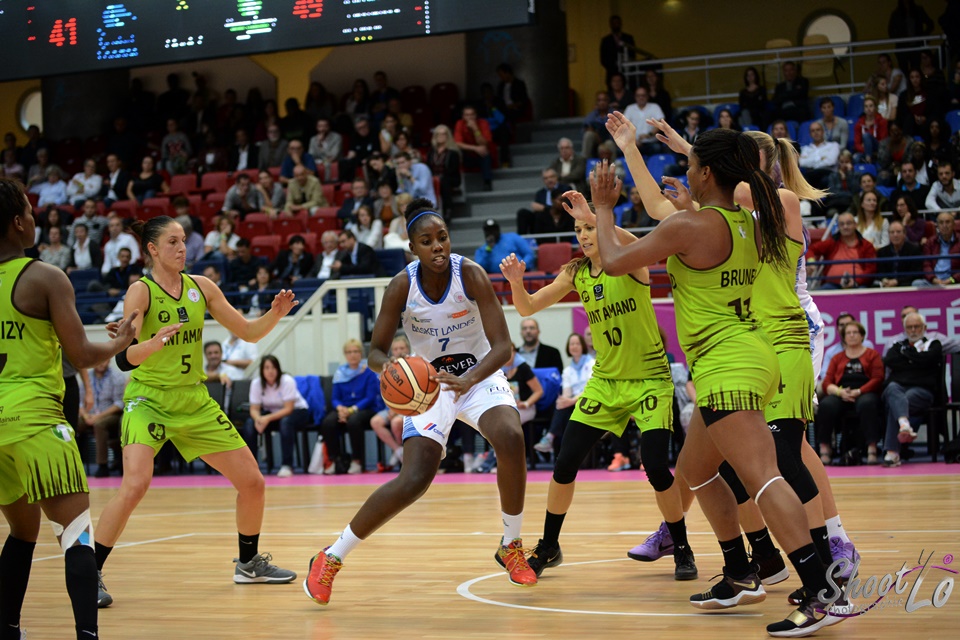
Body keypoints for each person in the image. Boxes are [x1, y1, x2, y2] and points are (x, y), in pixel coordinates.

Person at [593, 125, 844, 632]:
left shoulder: (692, 226)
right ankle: (739, 571)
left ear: (707, 172)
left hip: (727, 361)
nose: (685, 172)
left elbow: (616, 260)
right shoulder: (750, 220)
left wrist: (603, 209)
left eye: (690, 165)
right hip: (748, 354)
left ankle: (821, 591)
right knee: (696, 469)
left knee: (763, 476)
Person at [304, 198, 538, 606]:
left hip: (478, 374)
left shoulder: (473, 275)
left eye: (442, 237)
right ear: (412, 248)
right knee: (415, 480)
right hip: (429, 385)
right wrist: (396, 368)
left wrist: (469, 378)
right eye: (427, 241)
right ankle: (330, 556)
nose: (437, 247)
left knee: (510, 436)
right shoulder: (401, 286)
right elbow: (374, 350)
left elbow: (504, 348)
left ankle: (511, 543)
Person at [94, 216, 299, 608]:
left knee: (253, 482)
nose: (182, 248)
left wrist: (275, 313)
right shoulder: (141, 292)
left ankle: (248, 563)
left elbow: (249, 333)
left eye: (184, 240)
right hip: (149, 398)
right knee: (136, 484)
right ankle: (90, 572)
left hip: (194, 400)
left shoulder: (201, 287)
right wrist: (151, 344)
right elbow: (124, 358)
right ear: (152, 249)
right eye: (172, 242)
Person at [502, 198, 698, 581]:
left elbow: (635, 240)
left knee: (657, 467)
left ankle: (682, 545)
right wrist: (515, 283)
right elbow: (526, 308)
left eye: (589, 228)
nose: (583, 234)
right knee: (564, 463)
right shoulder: (577, 273)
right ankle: (549, 546)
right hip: (606, 383)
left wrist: (595, 217)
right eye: (578, 230)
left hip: (649, 381)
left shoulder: (630, 260)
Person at [0, 177, 138, 640]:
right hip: (34, 419)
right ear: (18, 221)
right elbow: (80, 354)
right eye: (30, 210)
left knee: (21, 530)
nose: (36, 218)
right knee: (75, 533)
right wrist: (119, 342)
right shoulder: (43, 276)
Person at [881, 312, 943, 468]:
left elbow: (930, 359)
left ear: (925, 328)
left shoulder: (933, 344)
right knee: (892, 388)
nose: (913, 330)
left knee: (899, 401)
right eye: (909, 327)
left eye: (917, 326)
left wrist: (908, 357)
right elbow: (890, 361)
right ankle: (903, 426)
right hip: (898, 389)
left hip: (922, 392)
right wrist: (917, 360)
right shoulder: (897, 346)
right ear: (904, 329)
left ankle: (893, 452)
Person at [818, 321, 884, 465]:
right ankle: (825, 448)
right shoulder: (837, 357)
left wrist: (859, 391)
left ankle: (871, 448)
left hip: (864, 391)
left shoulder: (872, 355)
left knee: (868, 404)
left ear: (862, 336)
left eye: (855, 332)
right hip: (843, 392)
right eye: (848, 333)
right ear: (844, 337)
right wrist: (840, 392)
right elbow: (827, 382)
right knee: (826, 405)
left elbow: (878, 378)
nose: (852, 335)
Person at [241, 355, 312, 478]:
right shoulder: (256, 383)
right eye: (267, 368)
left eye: (273, 367)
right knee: (249, 423)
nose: (270, 371)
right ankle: (251, 466)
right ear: (262, 370)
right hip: (272, 413)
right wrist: (258, 419)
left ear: (278, 369)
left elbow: (288, 409)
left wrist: (266, 419)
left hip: (297, 412)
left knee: (285, 422)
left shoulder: (287, 381)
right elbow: (254, 409)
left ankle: (287, 465)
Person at [318, 339, 380, 475]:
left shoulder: (368, 371)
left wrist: (351, 410)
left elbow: (370, 397)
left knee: (354, 421)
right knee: (328, 422)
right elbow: (335, 398)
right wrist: (340, 408)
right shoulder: (340, 373)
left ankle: (357, 461)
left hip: (364, 408)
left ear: (361, 353)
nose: (352, 354)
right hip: (344, 408)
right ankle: (334, 460)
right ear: (345, 354)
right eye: (349, 352)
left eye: (356, 351)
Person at [533, 333, 594, 455]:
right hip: (574, 403)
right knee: (560, 405)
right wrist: (564, 400)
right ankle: (564, 448)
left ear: (583, 346)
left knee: (566, 407)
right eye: (572, 344)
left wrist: (571, 401)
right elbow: (567, 392)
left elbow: (591, 389)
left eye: (577, 343)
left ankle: (550, 437)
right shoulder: (567, 370)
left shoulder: (592, 363)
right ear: (568, 347)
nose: (574, 346)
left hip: (590, 400)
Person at [369, 335, 413, 469]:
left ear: (408, 349)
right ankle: (399, 450)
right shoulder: (387, 367)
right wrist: (391, 408)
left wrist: (396, 410)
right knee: (375, 422)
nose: (399, 351)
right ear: (391, 352)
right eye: (395, 349)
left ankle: (404, 452)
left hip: (409, 407)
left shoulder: (414, 365)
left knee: (396, 422)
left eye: (402, 348)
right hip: (390, 407)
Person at [78, 360, 126, 478]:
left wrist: (98, 416)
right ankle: (73, 465)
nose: (101, 363)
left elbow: (119, 404)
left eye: (104, 360)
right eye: (98, 360)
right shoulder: (87, 377)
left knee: (99, 424)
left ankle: (102, 466)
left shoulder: (117, 377)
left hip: (110, 415)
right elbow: (79, 403)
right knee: (70, 426)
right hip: (89, 415)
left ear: (109, 360)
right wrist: (85, 416)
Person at [807, 212, 878, 289]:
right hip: (831, 285)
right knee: (821, 293)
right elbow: (810, 249)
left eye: (848, 223)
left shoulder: (867, 246)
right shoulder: (831, 243)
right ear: (838, 227)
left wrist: (856, 281)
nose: (845, 227)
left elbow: (871, 269)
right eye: (842, 224)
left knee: (863, 293)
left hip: (858, 284)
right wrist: (811, 261)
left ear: (855, 225)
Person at [453, 105, 494, 191]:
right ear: (463, 116)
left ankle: (487, 182)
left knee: (485, 151)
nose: (470, 117)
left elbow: (484, 143)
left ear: (476, 115)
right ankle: (456, 185)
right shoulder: (460, 123)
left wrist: (475, 129)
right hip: (467, 155)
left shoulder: (483, 123)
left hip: (481, 155)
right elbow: (458, 143)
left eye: (472, 114)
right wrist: (475, 148)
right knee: (454, 154)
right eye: (467, 115)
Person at [426, 125, 461, 221]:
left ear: (447, 136)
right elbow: (428, 167)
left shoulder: (453, 152)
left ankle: (448, 210)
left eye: (443, 134)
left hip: (450, 178)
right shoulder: (431, 152)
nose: (440, 136)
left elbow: (453, 169)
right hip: (434, 177)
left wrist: (439, 177)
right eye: (438, 134)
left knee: (443, 181)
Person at [915, 210, 960, 285]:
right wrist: (933, 279)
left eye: (947, 222)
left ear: (954, 225)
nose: (944, 225)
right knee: (916, 283)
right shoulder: (930, 242)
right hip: (934, 281)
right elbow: (926, 265)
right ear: (937, 226)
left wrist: (951, 280)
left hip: (953, 281)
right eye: (941, 223)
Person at [877, 220, 923, 286]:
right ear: (889, 235)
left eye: (898, 232)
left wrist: (897, 281)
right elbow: (880, 272)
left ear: (904, 234)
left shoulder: (914, 250)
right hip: (887, 285)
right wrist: (884, 279)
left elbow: (916, 273)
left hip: (906, 285)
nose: (895, 235)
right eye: (892, 232)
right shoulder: (882, 252)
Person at [600, 15, 637, 85]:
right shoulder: (605, 40)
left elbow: (633, 54)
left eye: (617, 23)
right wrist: (615, 66)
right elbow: (603, 59)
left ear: (621, 24)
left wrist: (625, 63)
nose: (616, 25)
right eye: (614, 23)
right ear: (610, 25)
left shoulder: (628, 38)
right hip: (612, 73)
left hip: (628, 72)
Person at [853, 96, 888, 164]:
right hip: (865, 151)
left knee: (866, 136)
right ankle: (868, 158)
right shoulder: (859, 124)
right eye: (866, 106)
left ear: (875, 107)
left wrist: (867, 144)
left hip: (878, 149)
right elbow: (857, 144)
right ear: (864, 109)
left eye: (871, 106)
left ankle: (868, 160)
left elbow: (883, 141)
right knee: (856, 158)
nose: (868, 109)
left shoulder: (882, 121)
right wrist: (867, 147)